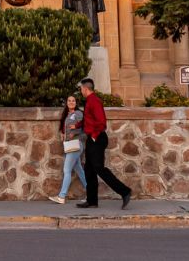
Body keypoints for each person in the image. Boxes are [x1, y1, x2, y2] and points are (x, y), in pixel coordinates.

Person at [77, 77, 133, 209]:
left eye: (81, 89)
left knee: (99, 169)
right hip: (92, 138)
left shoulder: (95, 101)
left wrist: (94, 136)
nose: (80, 91)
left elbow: (101, 123)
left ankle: (125, 192)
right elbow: (88, 120)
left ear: (85, 88)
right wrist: (77, 125)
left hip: (97, 138)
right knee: (89, 170)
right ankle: (92, 201)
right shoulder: (89, 101)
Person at [50, 92, 86, 204]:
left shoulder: (79, 114)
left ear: (76, 103)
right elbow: (65, 128)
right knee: (79, 169)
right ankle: (92, 192)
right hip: (69, 145)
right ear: (66, 103)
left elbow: (84, 128)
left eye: (73, 101)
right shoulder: (66, 115)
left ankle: (61, 196)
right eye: (69, 100)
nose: (71, 102)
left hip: (76, 144)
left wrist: (74, 133)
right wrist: (63, 133)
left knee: (66, 170)